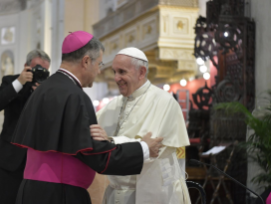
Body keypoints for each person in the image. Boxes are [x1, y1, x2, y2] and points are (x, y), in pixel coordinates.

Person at [11, 31, 163, 204]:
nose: (99, 70)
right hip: (60, 195)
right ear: (86, 61)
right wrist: (143, 148)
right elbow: (100, 158)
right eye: (99, 63)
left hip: (30, 191)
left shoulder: (43, 89)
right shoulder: (75, 96)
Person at [93, 47, 191, 204]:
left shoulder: (164, 102)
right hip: (114, 194)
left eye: (122, 72)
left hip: (149, 196)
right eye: (114, 72)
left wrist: (110, 141)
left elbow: (152, 149)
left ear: (141, 72)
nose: (116, 78)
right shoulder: (113, 105)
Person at [0, 49, 51, 204]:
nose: (40, 73)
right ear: (26, 66)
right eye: (37, 69)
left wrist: (42, 95)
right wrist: (20, 82)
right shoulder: (11, 81)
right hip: (11, 159)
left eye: (45, 70)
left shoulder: (48, 90)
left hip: (39, 161)